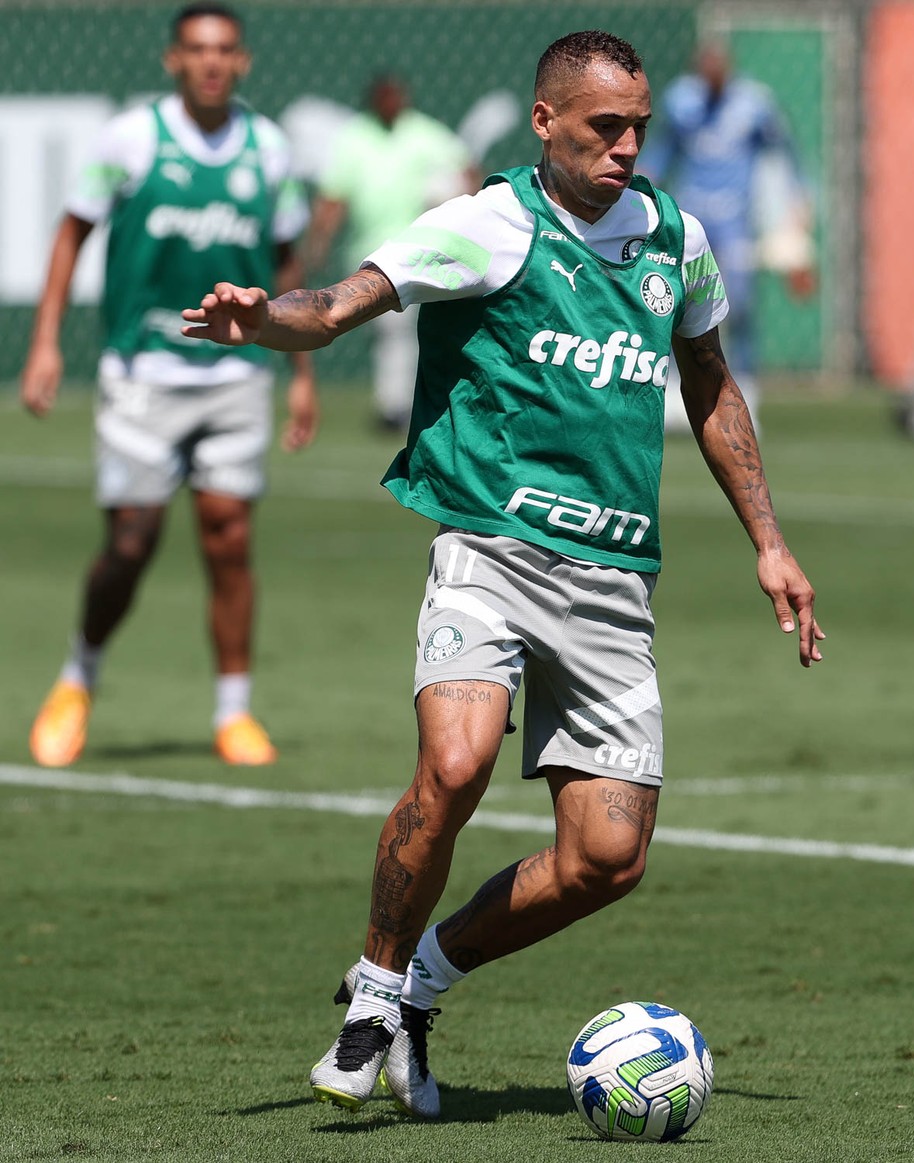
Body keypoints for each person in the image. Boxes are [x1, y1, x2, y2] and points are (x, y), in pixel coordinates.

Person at [182, 29, 823, 1117]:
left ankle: (421, 986)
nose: (626, 148)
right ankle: (370, 998)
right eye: (602, 128)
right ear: (545, 124)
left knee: (607, 858)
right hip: (490, 547)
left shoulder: (677, 234)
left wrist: (768, 536)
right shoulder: (490, 224)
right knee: (459, 758)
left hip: (615, 578)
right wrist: (267, 323)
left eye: (638, 129)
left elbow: (708, 379)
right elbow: (337, 304)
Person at [21, 2, 318, 768]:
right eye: (196, 49)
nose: (212, 62)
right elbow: (71, 230)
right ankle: (76, 678)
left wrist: (302, 369)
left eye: (225, 50)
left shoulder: (268, 146)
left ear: (243, 61)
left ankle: (233, 711)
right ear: (173, 60)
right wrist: (47, 341)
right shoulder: (132, 139)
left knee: (229, 535)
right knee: (131, 540)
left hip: (237, 373)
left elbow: (286, 265)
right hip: (142, 373)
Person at [641, 39, 815, 431]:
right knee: (676, 297)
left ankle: (746, 388)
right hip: (693, 213)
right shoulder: (682, 101)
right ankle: (673, 387)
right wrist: (644, 182)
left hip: (735, 218)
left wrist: (796, 198)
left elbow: (783, 150)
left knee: (739, 301)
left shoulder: (754, 104)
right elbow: (664, 150)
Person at [304, 73, 478, 432]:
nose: (391, 103)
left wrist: (461, 208)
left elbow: (466, 172)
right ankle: (397, 404)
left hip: (422, 246)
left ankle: (397, 406)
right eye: (384, 97)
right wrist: (317, 243)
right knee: (391, 330)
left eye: (396, 96)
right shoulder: (355, 138)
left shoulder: (424, 133)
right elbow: (334, 196)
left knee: (401, 330)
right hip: (371, 248)